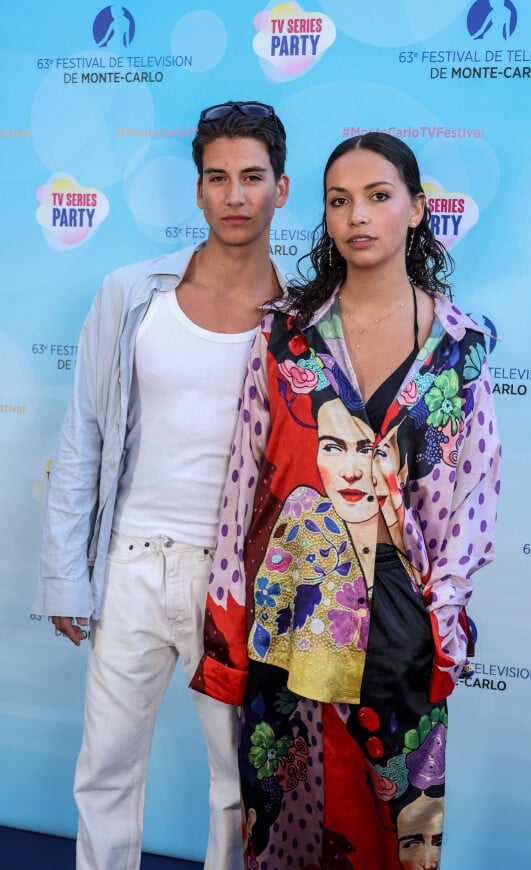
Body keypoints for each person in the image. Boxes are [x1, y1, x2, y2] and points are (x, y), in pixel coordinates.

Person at [192, 132, 501, 868]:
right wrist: (228, 623)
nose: (357, 215)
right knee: (283, 825)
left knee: (399, 828)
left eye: (378, 196)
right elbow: (244, 487)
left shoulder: (461, 348)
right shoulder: (286, 337)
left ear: (417, 211)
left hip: (403, 622)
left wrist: (443, 615)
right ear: (326, 218)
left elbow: (476, 494)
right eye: (340, 201)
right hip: (291, 616)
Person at [33, 100, 290, 870]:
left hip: (238, 580)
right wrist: (66, 578)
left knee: (237, 783)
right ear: (198, 189)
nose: (235, 195)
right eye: (218, 178)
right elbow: (83, 435)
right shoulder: (130, 293)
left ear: (282, 187)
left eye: (252, 177)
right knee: (105, 770)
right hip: (132, 566)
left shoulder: (305, 313)